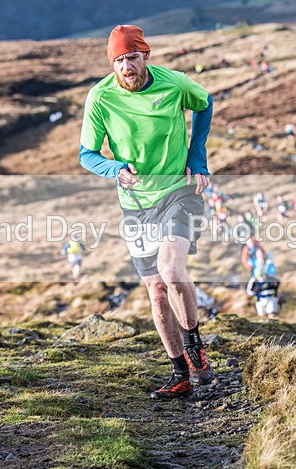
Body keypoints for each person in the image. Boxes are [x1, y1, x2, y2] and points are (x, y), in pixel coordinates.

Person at [79, 25, 215, 399]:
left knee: (172, 270)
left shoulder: (174, 84)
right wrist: (115, 168)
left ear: (146, 56)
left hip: (178, 192)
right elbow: (86, 154)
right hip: (136, 206)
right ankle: (179, 374)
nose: (126, 67)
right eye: (119, 60)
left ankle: (195, 350)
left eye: (132, 58)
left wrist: (197, 156)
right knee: (156, 291)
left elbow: (205, 104)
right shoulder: (100, 98)